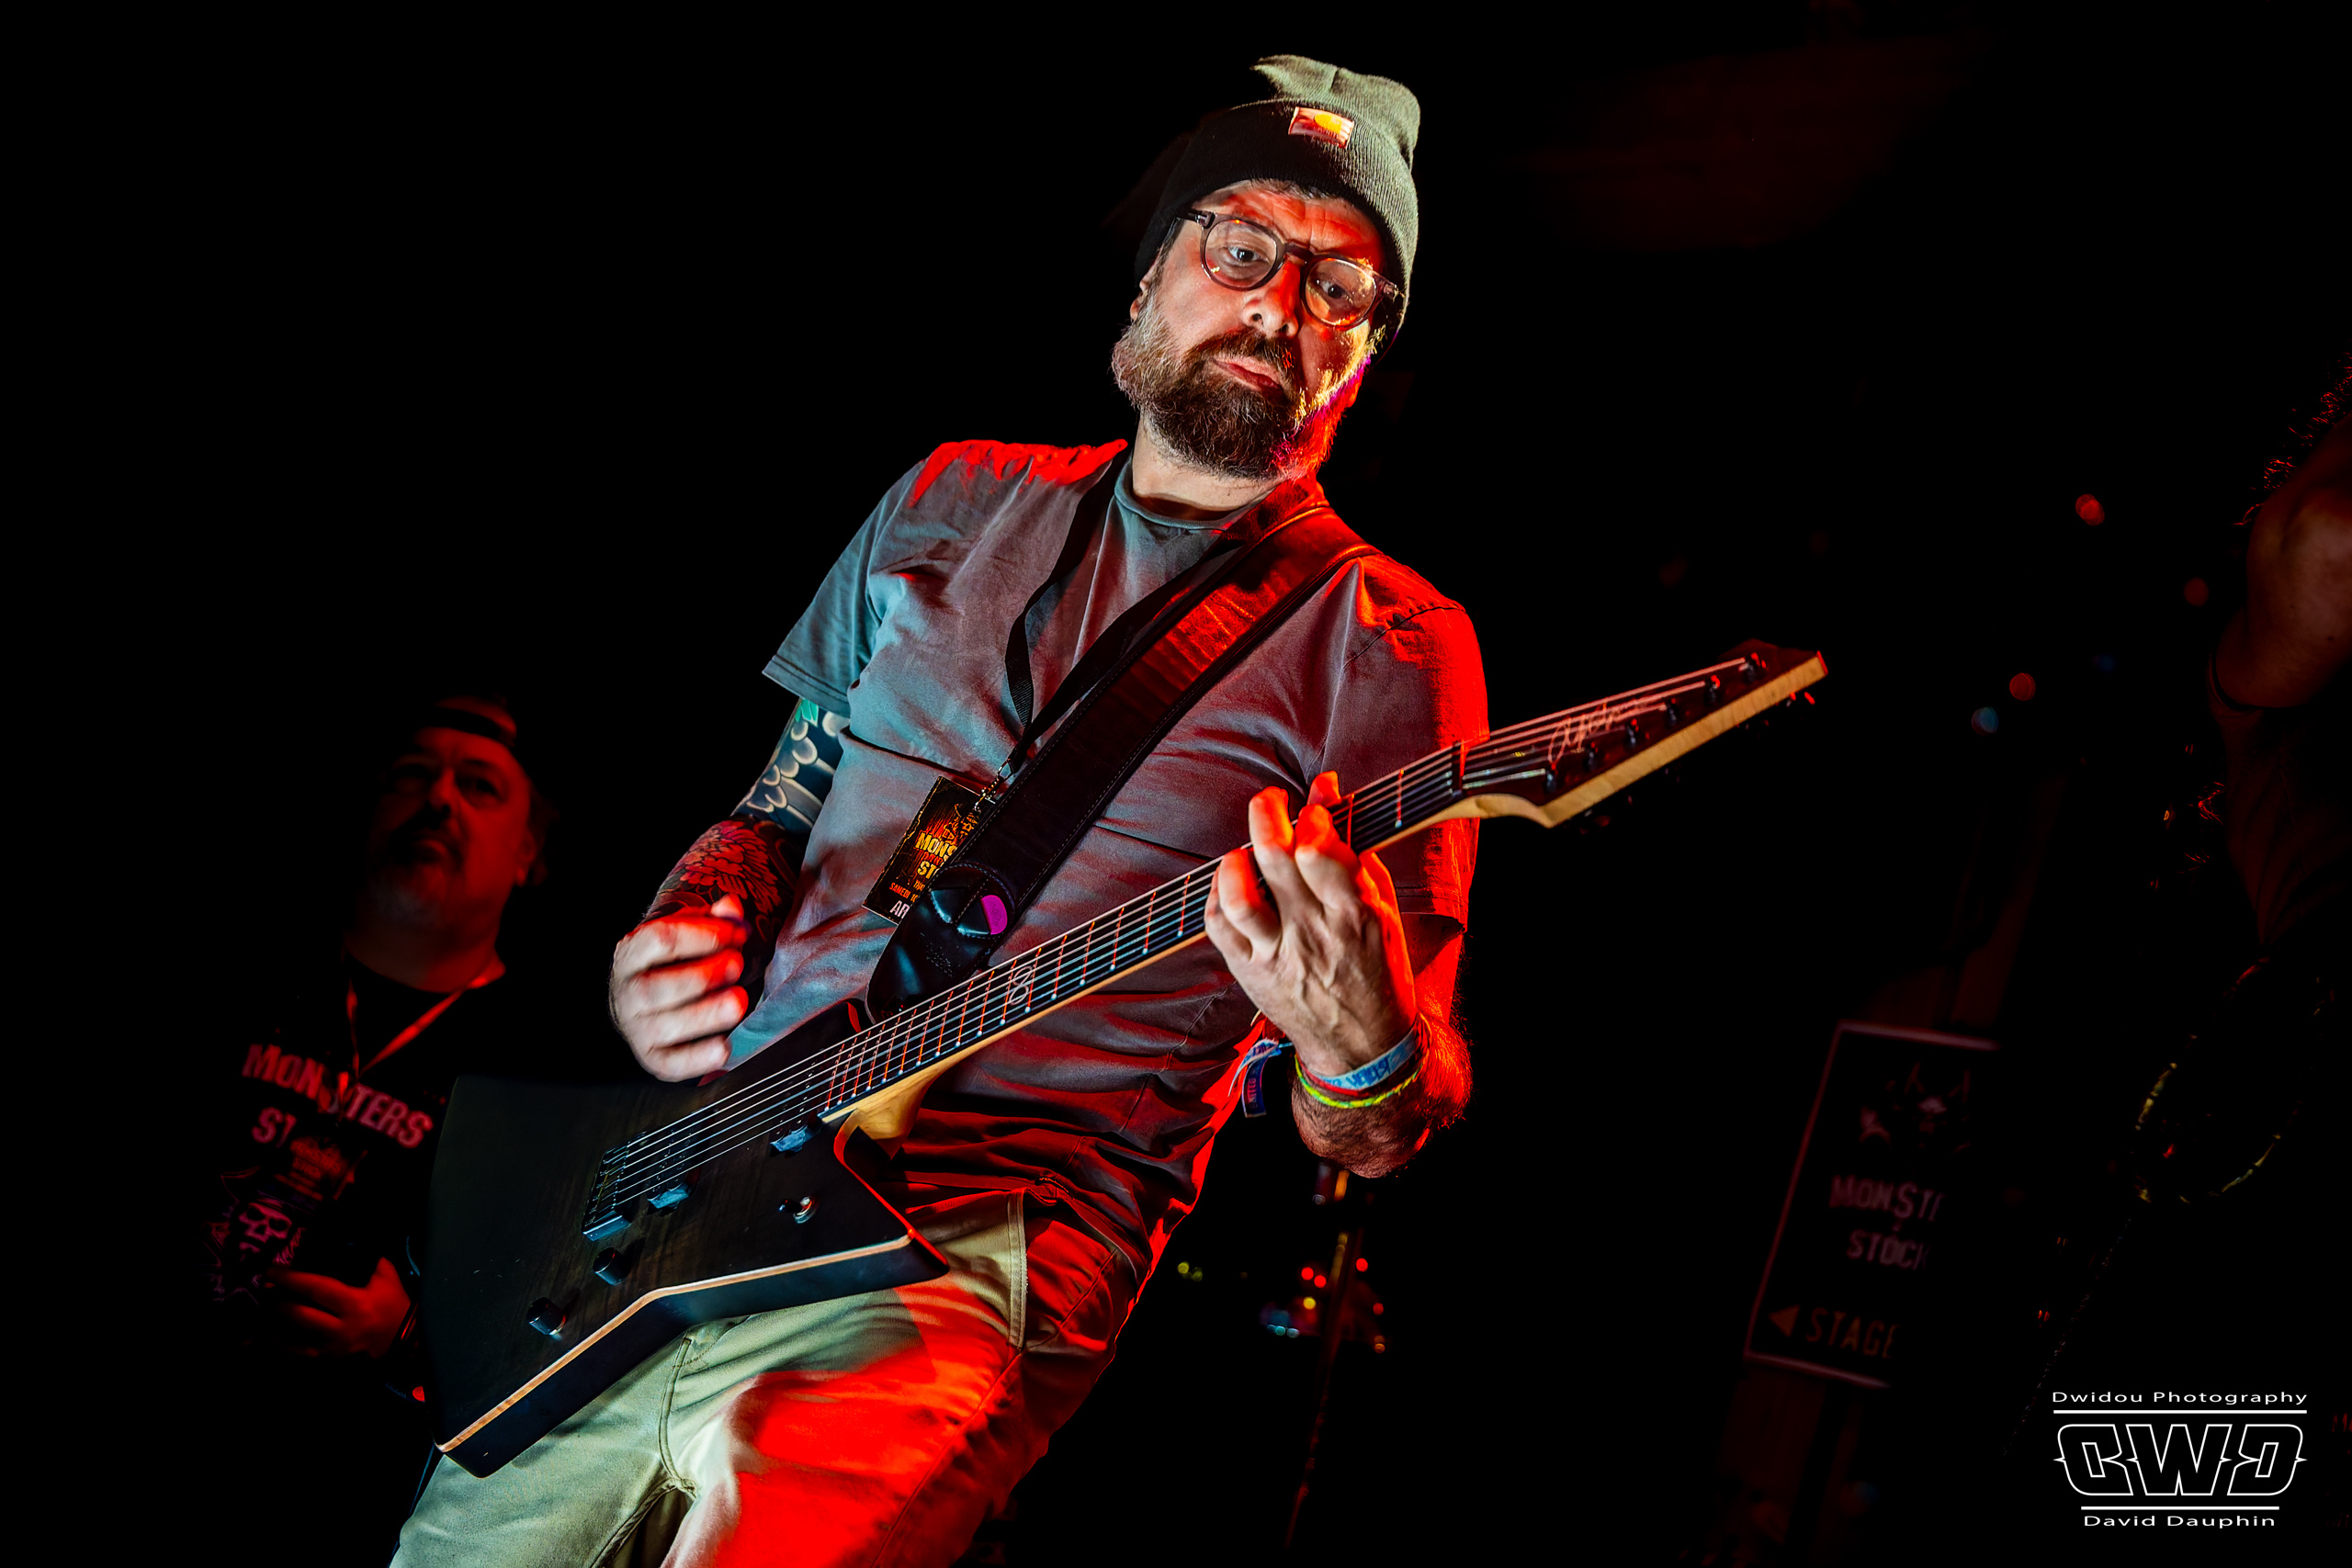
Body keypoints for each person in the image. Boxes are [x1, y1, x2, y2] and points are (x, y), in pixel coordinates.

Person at [401, 57, 1485, 1566]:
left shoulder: (1396, 646)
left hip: (978, 1243)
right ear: (1151, 277)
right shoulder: (951, 494)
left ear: (1360, 356)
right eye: (1241, 245)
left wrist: (1358, 1045)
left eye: (1338, 284)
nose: (1279, 304)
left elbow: (1381, 1124)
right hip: (688, 1194)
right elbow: (778, 802)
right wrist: (687, 921)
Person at [191, 694, 557, 1567]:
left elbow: (543, 1317)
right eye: (410, 774)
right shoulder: (238, 958)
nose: (438, 799)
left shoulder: (543, 1070)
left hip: (313, 1485)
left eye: (479, 785)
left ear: (527, 854)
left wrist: (402, 1333)